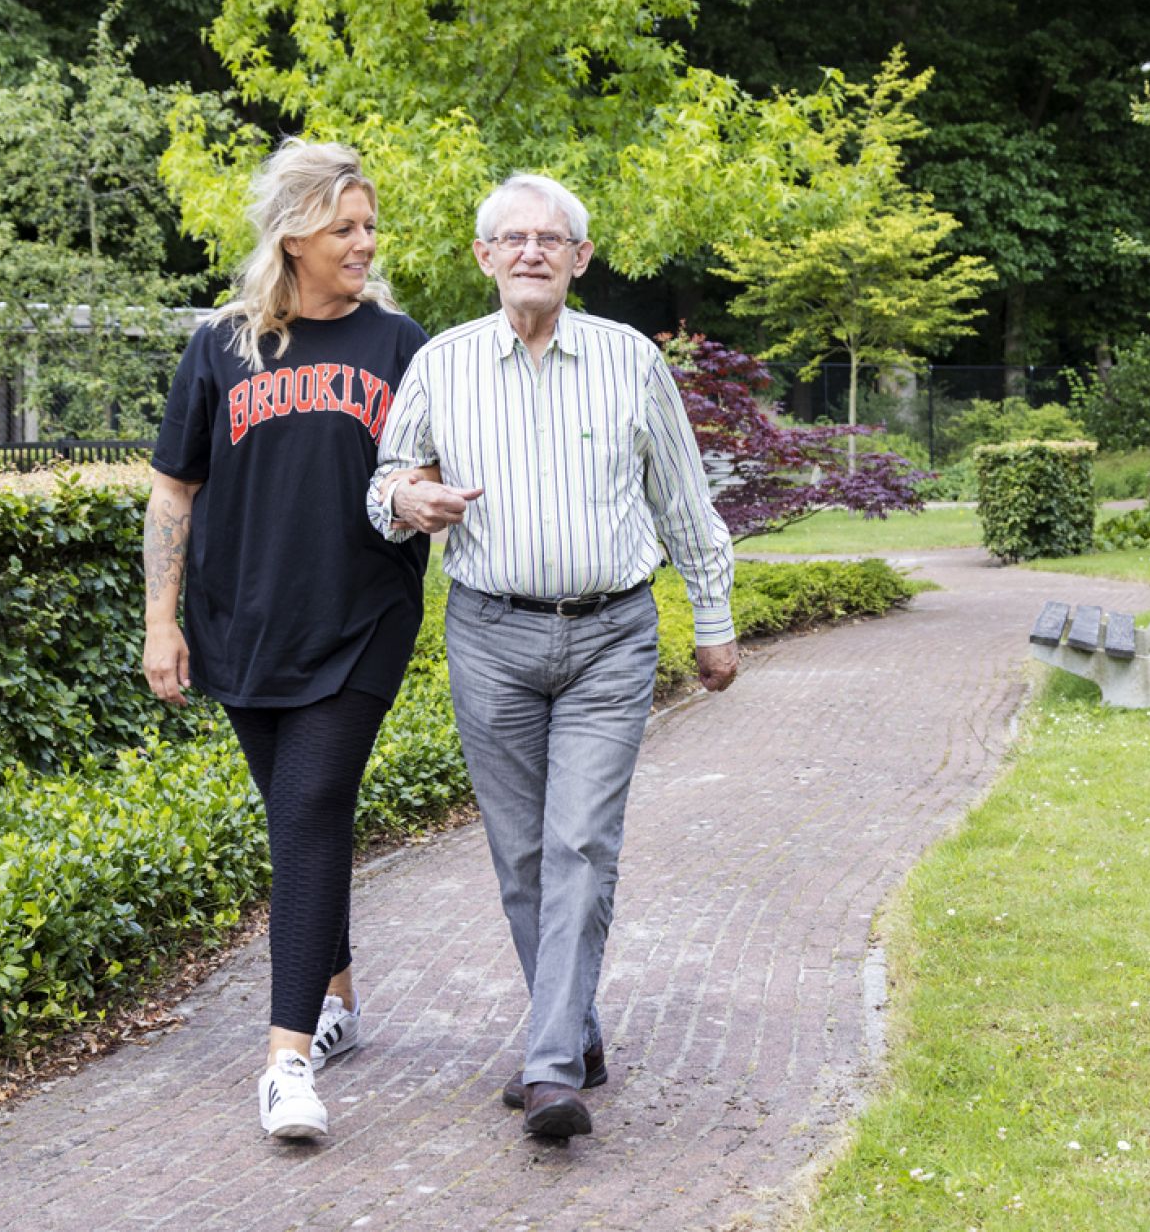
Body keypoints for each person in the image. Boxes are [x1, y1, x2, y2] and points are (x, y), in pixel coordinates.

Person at [367, 174, 738, 1138]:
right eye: (513, 238)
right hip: (490, 635)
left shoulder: (629, 361)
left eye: (552, 238)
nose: (532, 251)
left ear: (580, 258)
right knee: (522, 854)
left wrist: (712, 616)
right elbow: (383, 480)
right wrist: (408, 501)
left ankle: (547, 1071)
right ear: (484, 258)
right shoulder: (441, 364)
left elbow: (682, 498)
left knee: (580, 842)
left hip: (611, 634)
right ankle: (575, 1031)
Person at [143, 140, 430, 1140]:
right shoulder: (221, 346)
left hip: (362, 620)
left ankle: (285, 1061)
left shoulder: (400, 347)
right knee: (298, 817)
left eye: (368, 225)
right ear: (295, 233)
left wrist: (430, 499)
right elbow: (175, 487)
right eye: (347, 226)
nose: (365, 242)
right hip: (243, 625)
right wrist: (160, 621)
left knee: (309, 804)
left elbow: (428, 466)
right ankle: (338, 997)